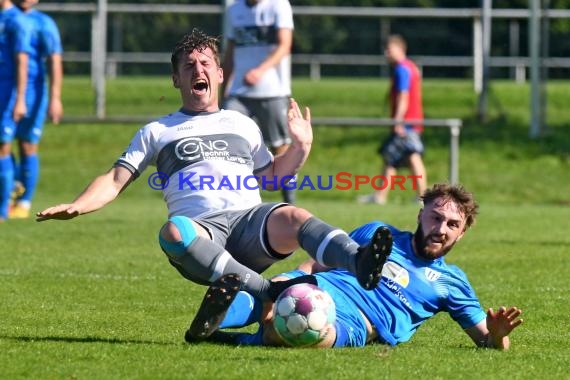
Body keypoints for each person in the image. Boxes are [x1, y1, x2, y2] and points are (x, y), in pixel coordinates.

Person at [36, 29, 391, 338]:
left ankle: (358, 261)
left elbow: (272, 177)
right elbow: (115, 179)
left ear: (220, 74)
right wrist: (79, 204)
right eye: (188, 66)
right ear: (176, 79)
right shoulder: (157, 131)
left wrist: (301, 147)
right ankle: (267, 291)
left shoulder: (243, 124)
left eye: (205, 63)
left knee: (294, 215)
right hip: (201, 235)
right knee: (173, 232)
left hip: (249, 224)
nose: (198, 70)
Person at [187, 183, 523, 350]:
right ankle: (219, 319)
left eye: (452, 224)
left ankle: (226, 338)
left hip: (359, 321)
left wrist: (497, 336)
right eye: (436, 217)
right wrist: (290, 277)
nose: (441, 228)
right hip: (323, 287)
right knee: (275, 293)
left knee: (308, 332)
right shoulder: (381, 234)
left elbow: (488, 342)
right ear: (421, 214)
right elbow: (322, 259)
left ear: (461, 234)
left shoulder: (452, 282)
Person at [222, 0, 296, 204]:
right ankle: (238, 203)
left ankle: (290, 205)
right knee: (229, 143)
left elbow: (285, 45)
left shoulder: (278, 6)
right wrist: (221, 93)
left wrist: (261, 70)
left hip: (272, 91)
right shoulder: (234, 9)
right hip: (239, 93)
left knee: (280, 147)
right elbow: (229, 53)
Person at [9, 0, 63, 219]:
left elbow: (54, 60)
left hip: (32, 93)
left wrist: (55, 98)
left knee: (27, 145)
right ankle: (13, 185)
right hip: (5, 91)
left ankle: (23, 201)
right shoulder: (7, 18)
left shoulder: (43, 23)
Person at [358, 34, 427, 205]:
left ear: (400, 49)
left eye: (389, 49)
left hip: (406, 123)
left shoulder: (401, 69)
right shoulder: (412, 67)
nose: (386, 53)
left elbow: (403, 96)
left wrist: (398, 120)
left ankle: (422, 197)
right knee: (392, 157)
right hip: (412, 121)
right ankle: (381, 195)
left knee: (411, 156)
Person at [0, 0, 32, 222]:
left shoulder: (16, 21)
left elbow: (22, 61)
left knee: (3, 147)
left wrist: (20, 99)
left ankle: (3, 210)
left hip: (7, 93)